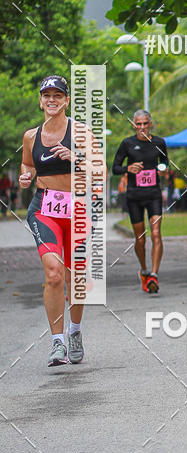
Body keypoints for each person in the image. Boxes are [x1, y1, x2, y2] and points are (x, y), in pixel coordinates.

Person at [19, 75, 103, 367]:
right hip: (44, 208)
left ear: (67, 100)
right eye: (47, 95)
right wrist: (26, 177)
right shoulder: (31, 136)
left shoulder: (81, 132)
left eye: (58, 95)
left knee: (75, 278)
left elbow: (101, 171)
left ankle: (75, 332)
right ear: (41, 100)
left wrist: (75, 158)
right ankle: (57, 342)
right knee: (54, 273)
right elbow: (28, 164)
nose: (52, 100)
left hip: (78, 209)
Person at [112, 110, 168, 293]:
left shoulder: (159, 142)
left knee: (156, 233)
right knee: (140, 239)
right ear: (134, 125)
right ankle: (144, 270)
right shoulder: (127, 143)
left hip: (154, 195)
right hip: (134, 196)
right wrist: (129, 168)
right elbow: (115, 168)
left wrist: (162, 169)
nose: (142, 127)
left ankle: (154, 275)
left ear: (150, 123)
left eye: (145, 123)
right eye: (139, 124)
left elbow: (165, 163)